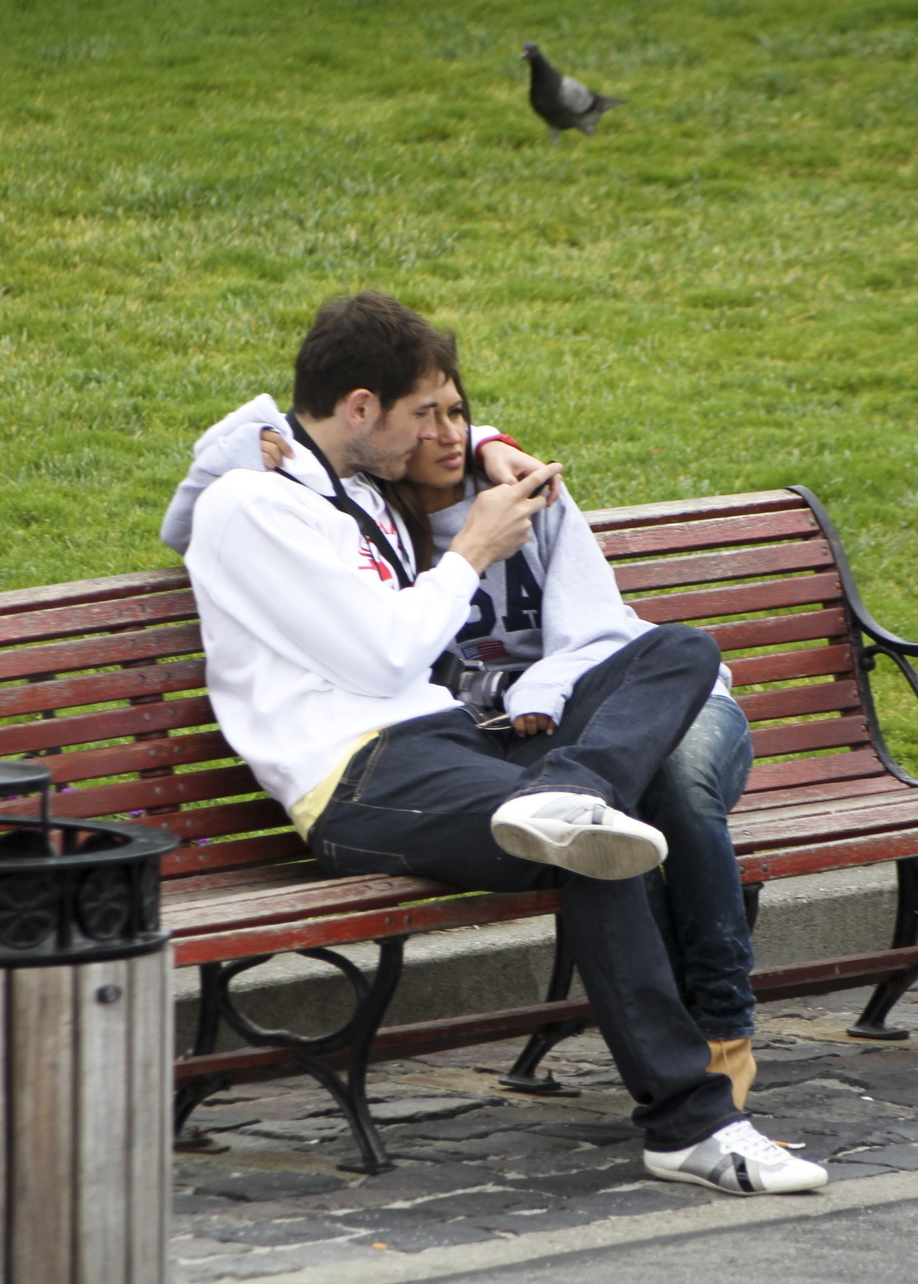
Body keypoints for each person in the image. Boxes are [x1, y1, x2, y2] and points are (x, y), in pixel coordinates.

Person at [172, 291, 827, 1196]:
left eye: (452, 415)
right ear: (359, 409)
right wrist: (470, 552)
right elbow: (383, 655)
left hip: (456, 749)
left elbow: (439, 435)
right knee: (597, 846)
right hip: (358, 778)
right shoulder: (256, 506)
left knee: (674, 652)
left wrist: (483, 444)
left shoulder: (352, 478)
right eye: (420, 418)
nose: (435, 438)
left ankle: (573, 787)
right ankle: (692, 1122)